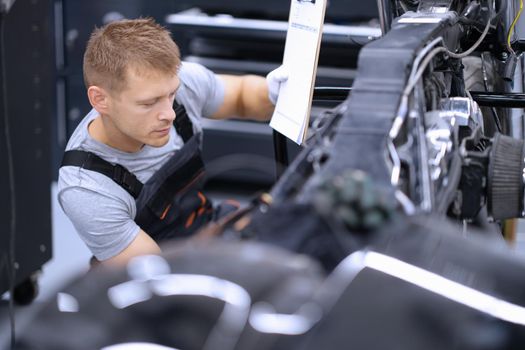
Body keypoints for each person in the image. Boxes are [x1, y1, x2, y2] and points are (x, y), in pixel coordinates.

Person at [58, 18, 288, 266]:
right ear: (100, 100)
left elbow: (242, 96)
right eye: (148, 103)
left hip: (204, 226)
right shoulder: (88, 188)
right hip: (155, 273)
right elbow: (156, 275)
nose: (168, 113)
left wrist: (273, 92)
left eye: (171, 94)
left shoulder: (179, 84)